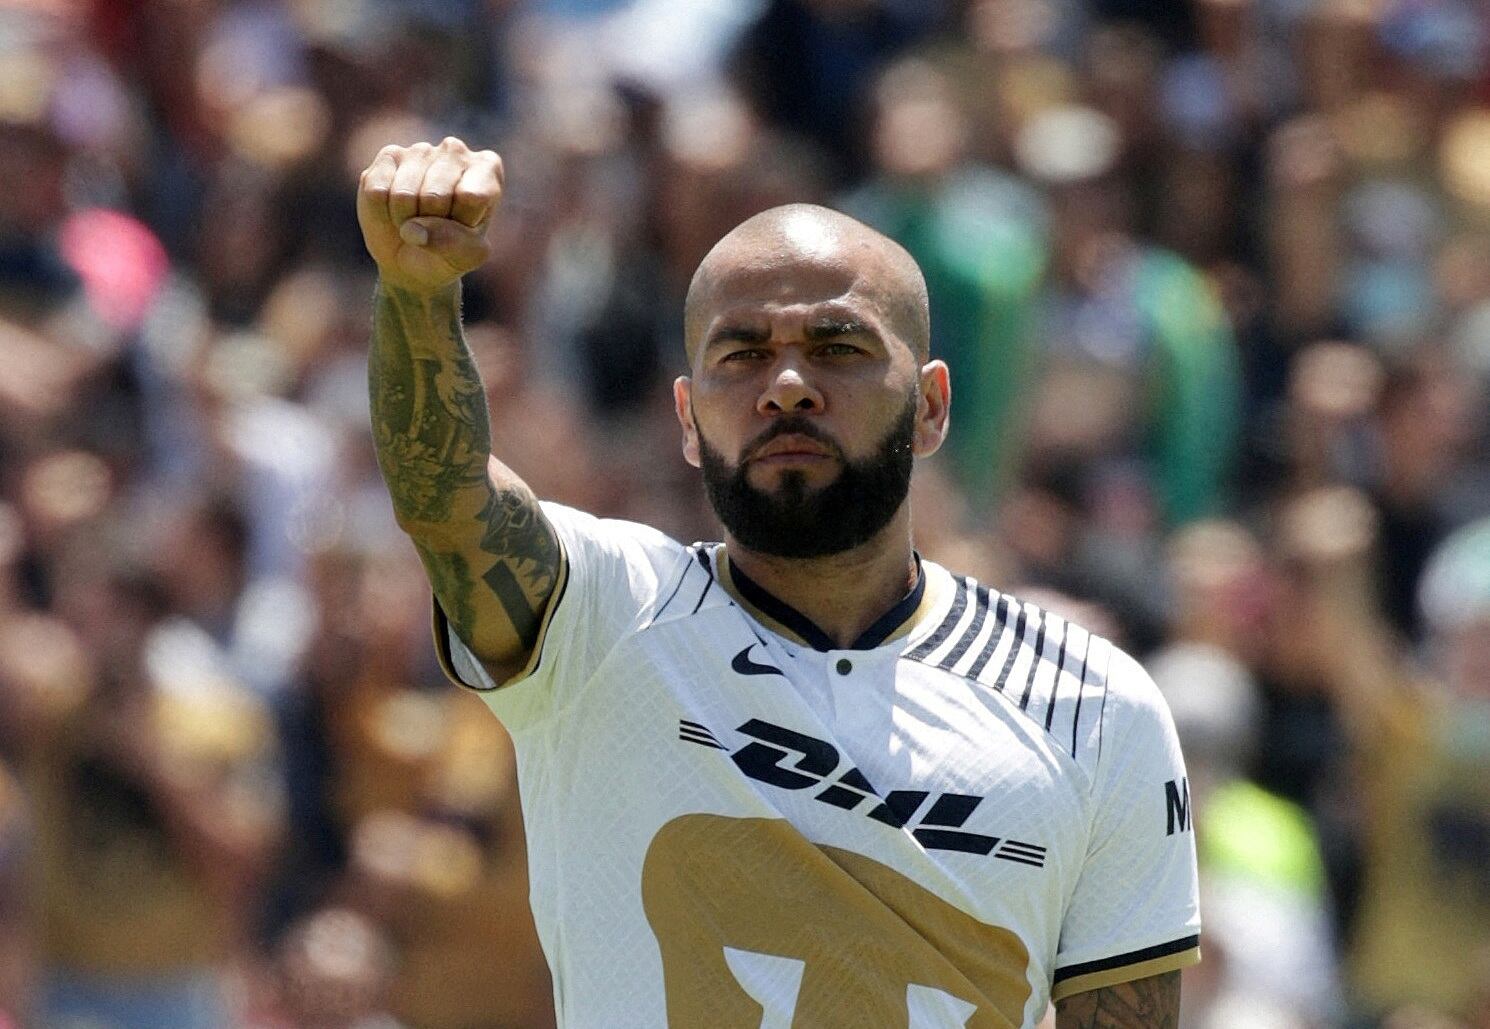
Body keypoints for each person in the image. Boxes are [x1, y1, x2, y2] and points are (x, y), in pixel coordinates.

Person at [356, 136, 1201, 1027]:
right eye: (742, 353)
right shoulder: (603, 621)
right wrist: (417, 293)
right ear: (686, 420)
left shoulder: (1096, 706)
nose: (787, 384)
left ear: (932, 405)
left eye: (838, 347)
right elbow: (446, 503)